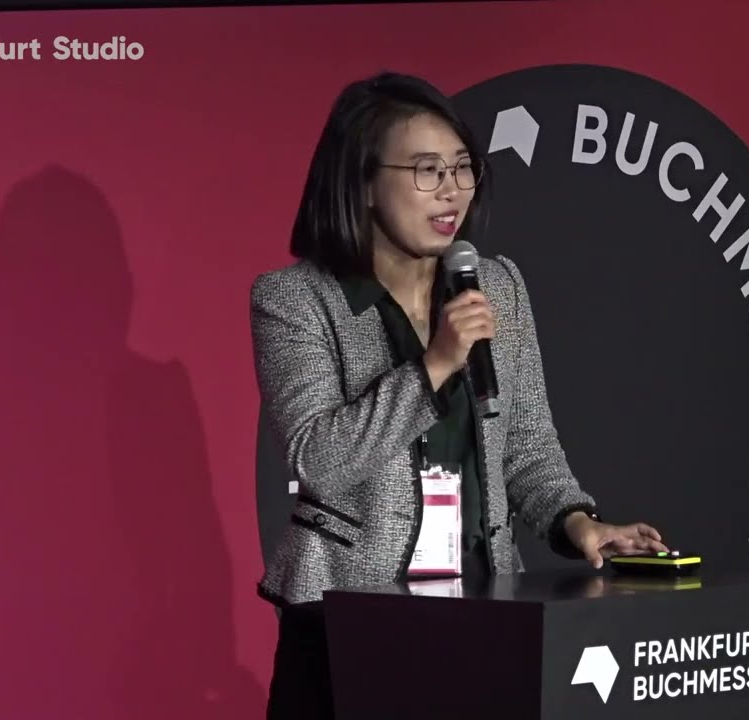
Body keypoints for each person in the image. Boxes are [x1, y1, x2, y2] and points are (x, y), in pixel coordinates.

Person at [250, 71, 668, 720]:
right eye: (426, 170)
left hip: (482, 611)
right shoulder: (296, 300)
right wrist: (434, 366)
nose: (451, 190)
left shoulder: (495, 285)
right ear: (362, 183)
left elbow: (526, 446)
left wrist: (577, 523)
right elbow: (319, 460)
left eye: (462, 167)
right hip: (346, 620)